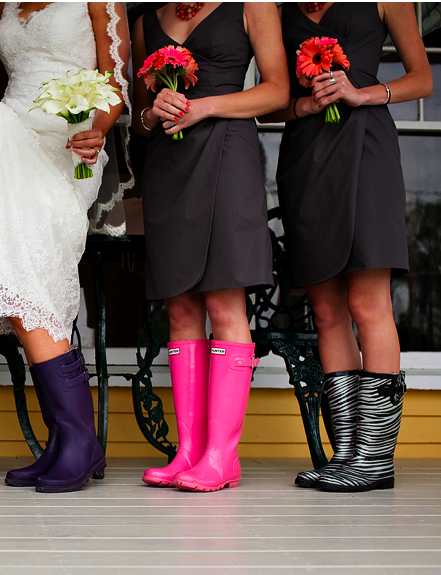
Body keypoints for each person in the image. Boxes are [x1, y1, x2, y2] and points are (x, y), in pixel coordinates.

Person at [0, 2, 131, 493]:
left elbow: (114, 83)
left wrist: (96, 129)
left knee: (31, 279)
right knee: (13, 278)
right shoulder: (7, 6)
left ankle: (77, 439)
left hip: (69, 145)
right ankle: (68, 439)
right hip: (8, 142)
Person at [260, 2, 431, 492]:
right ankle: (347, 455)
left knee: (367, 302)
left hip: (366, 147)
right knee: (326, 309)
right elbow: (270, 99)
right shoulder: (277, 9)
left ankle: (374, 458)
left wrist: (361, 94)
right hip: (305, 158)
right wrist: (304, 105)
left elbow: (422, 79)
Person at [132, 2, 289, 492]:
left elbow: (278, 91)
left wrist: (206, 105)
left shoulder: (252, 5)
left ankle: (222, 455)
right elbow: (138, 119)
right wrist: (152, 112)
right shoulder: (145, 20)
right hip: (168, 163)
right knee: (180, 308)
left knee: (224, 301)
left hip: (227, 152)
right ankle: (189, 452)